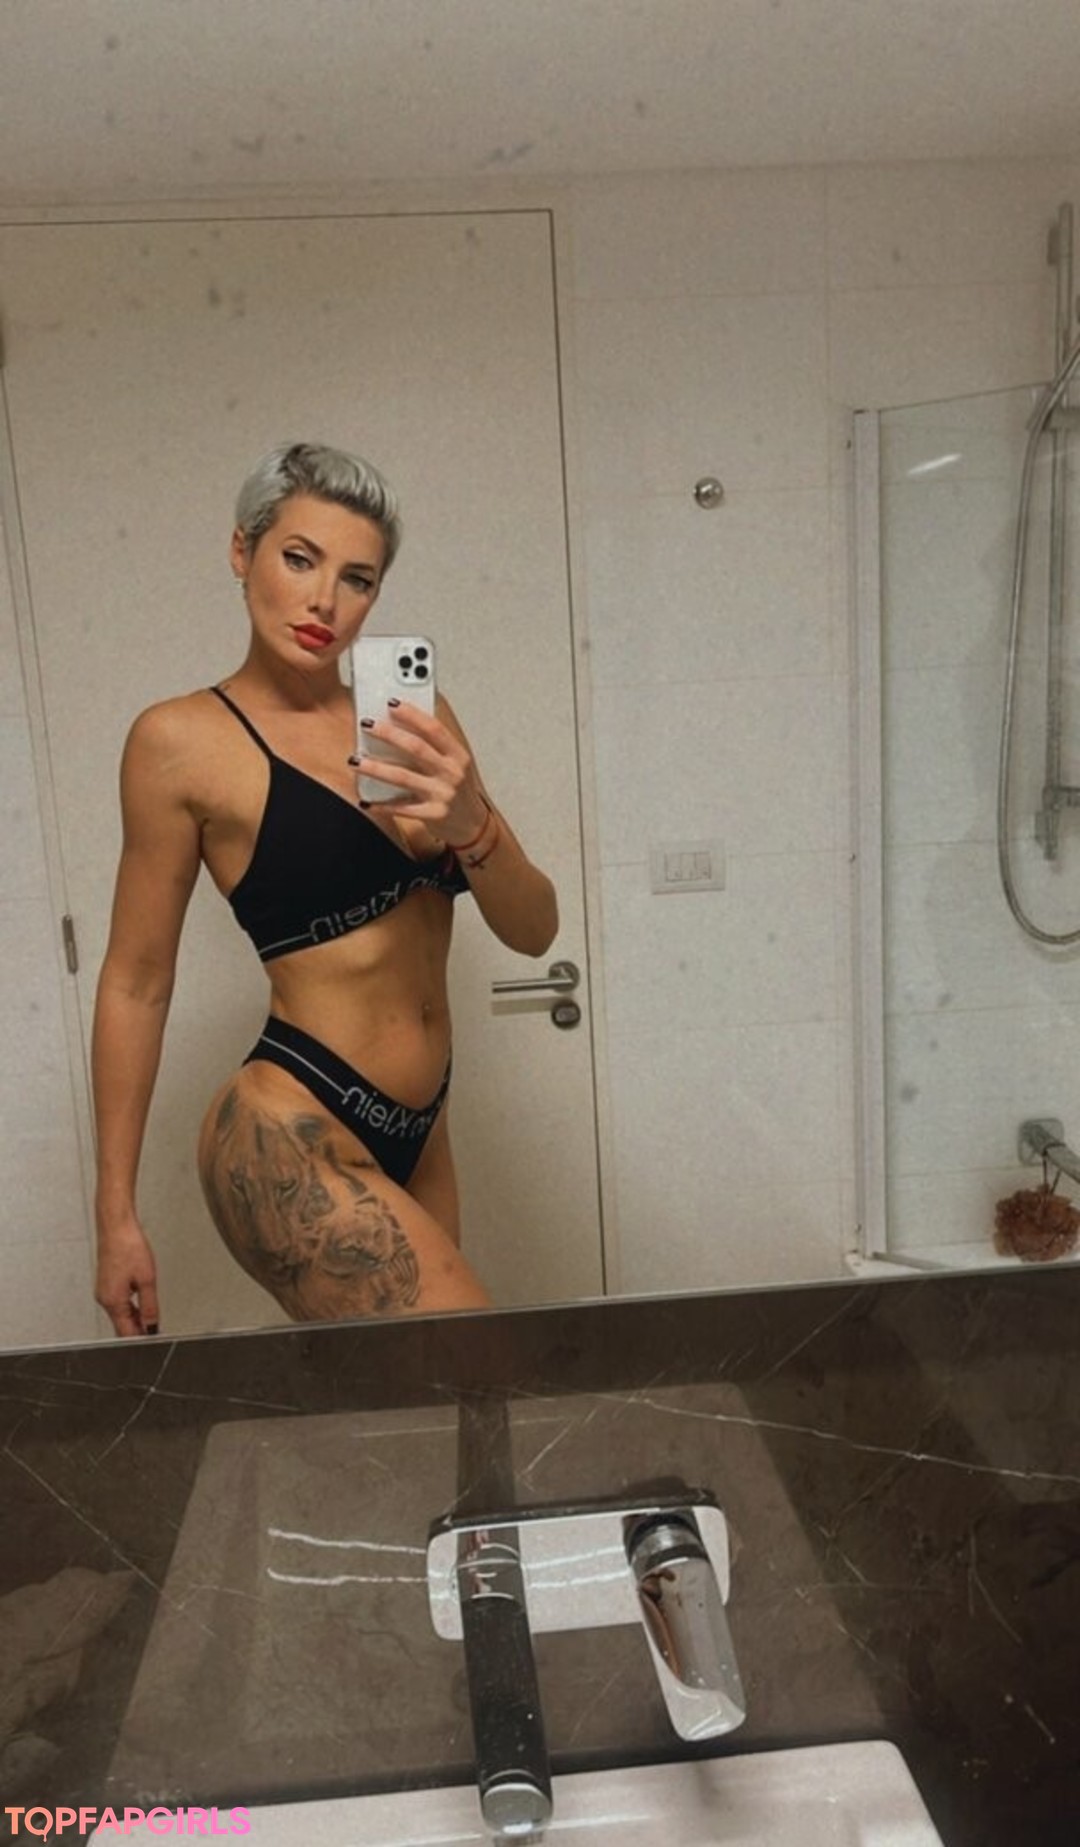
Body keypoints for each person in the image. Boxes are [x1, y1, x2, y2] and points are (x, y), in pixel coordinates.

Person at [92, 441, 558, 1337]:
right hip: (289, 1124)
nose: (324, 603)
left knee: (427, 1403)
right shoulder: (179, 742)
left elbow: (535, 929)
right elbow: (136, 980)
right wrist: (115, 1216)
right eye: (299, 559)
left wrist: (473, 824)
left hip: (424, 1129)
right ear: (243, 552)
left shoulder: (415, 720)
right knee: (475, 1368)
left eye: (358, 579)